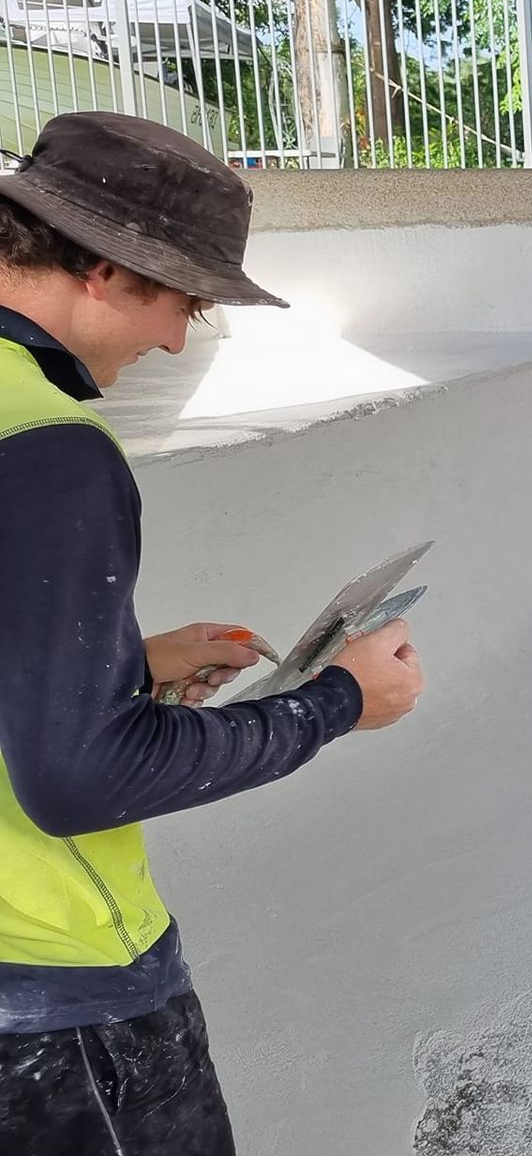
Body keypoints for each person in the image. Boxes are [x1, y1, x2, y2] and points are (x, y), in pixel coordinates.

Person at [0, 113, 425, 1154]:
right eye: (181, 300)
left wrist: (120, 667)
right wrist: (334, 703)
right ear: (103, 268)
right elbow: (80, 780)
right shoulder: (50, 446)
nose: (176, 339)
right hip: (53, 991)